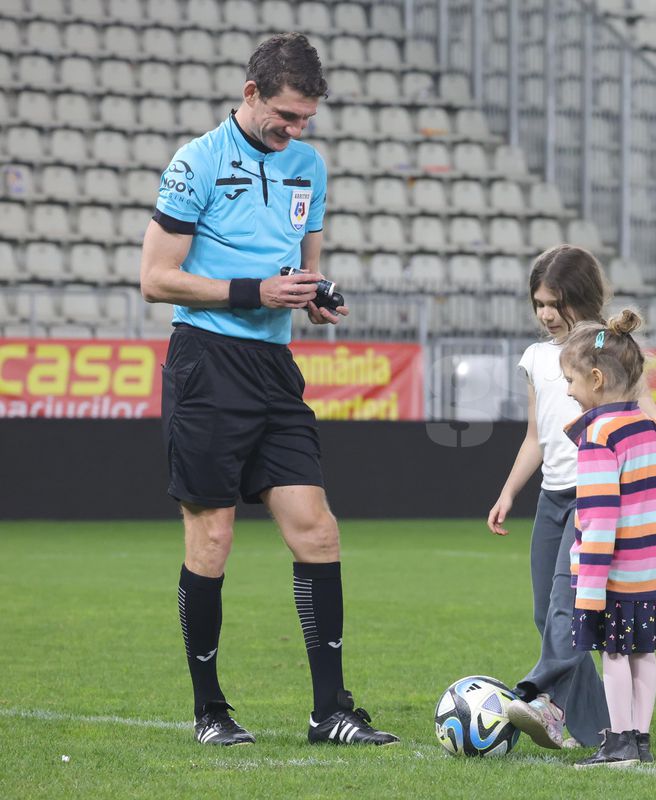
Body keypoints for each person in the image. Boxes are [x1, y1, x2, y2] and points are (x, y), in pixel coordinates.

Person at [140, 33, 397, 747]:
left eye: (306, 119)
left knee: (317, 530)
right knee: (213, 537)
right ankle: (210, 712)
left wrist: (317, 298)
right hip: (206, 364)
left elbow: (305, 269)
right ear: (250, 95)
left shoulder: (309, 167)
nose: (296, 131)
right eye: (286, 116)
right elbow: (156, 278)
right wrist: (255, 289)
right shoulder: (195, 162)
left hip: (274, 371)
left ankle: (330, 713)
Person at [486, 245, 656, 750]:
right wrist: (508, 493)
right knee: (547, 614)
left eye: (553, 303)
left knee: (567, 610)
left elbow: (651, 420)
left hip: (595, 499)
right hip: (551, 499)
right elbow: (534, 439)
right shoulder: (536, 357)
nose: (544, 314)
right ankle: (596, 725)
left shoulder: (609, 352)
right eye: (537, 303)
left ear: (580, 299)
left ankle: (542, 695)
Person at [559, 310, 656, 768]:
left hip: (612, 574)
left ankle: (619, 742)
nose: (568, 390)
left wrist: (588, 588)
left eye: (570, 380)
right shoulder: (651, 427)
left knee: (613, 654)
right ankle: (641, 740)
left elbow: (598, 516)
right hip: (650, 570)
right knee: (643, 653)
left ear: (595, 378)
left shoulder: (598, 436)